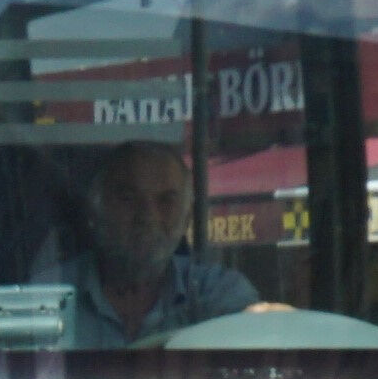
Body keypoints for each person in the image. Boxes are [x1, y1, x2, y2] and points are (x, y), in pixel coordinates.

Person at [61, 139, 265, 349]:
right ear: (95, 211)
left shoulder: (215, 292)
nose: (148, 216)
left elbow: (257, 338)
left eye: (166, 201)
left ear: (186, 218)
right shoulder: (54, 294)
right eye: (128, 199)